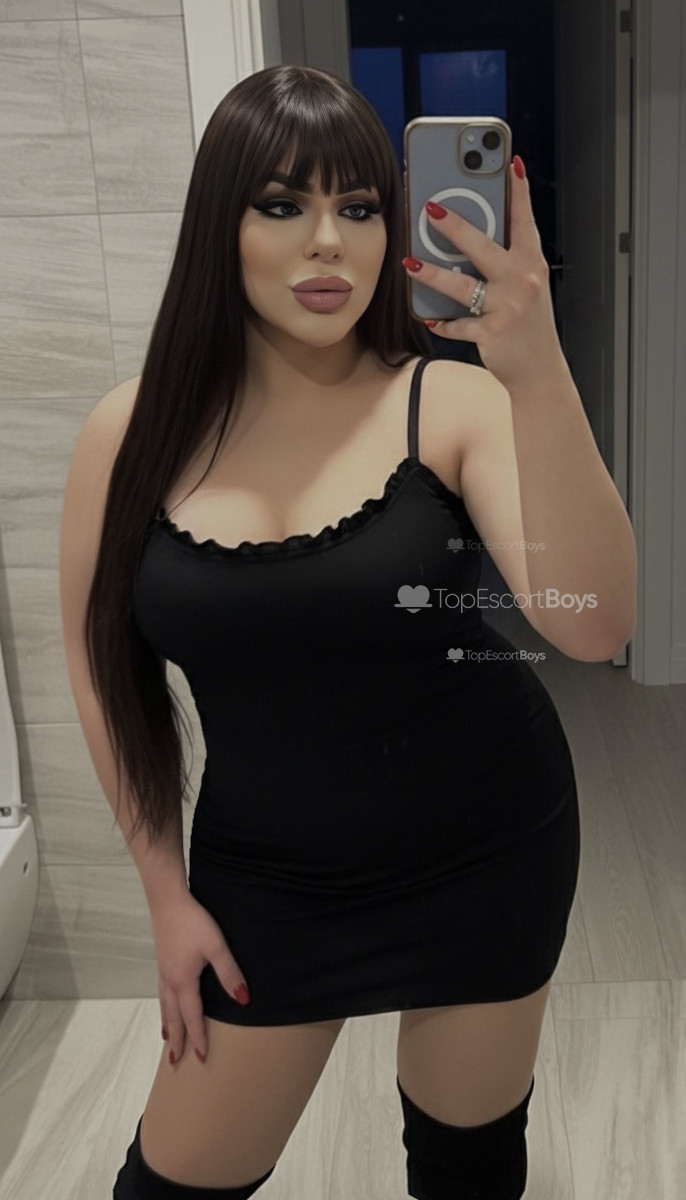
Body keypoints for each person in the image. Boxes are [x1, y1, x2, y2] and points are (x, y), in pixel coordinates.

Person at [59, 65, 636, 1199]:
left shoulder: (451, 403)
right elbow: (96, 663)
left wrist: (535, 367)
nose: (327, 241)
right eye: (282, 204)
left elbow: (593, 623)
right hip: (266, 880)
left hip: (485, 849)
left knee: (466, 1174)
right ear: (219, 226)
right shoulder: (127, 434)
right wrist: (165, 894)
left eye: (359, 207)